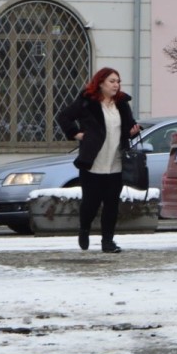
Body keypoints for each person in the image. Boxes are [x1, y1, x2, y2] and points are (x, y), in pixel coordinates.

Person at [57, 68, 141, 253]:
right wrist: (76, 134)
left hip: (116, 162)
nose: (116, 85)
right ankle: (84, 229)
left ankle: (108, 242)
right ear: (101, 82)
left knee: (112, 204)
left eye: (118, 81)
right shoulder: (87, 102)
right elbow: (64, 117)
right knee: (91, 203)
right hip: (93, 162)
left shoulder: (122, 103)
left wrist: (133, 131)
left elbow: (127, 128)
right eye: (112, 81)